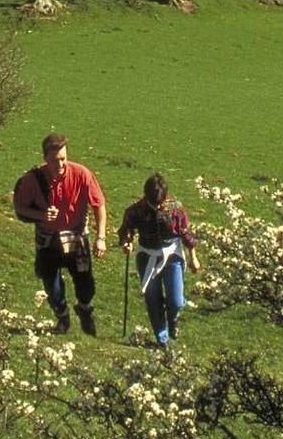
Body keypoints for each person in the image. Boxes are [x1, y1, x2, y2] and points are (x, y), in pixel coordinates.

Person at [13, 132, 107, 335]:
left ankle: (83, 308)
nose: (61, 164)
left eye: (63, 159)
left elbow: (99, 205)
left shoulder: (82, 174)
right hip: (48, 240)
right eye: (55, 161)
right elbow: (20, 208)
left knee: (86, 285)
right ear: (45, 158)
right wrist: (41, 215)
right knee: (52, 286)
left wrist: (101, 238)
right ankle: (62, 315)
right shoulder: (32, 180)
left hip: (77, 237)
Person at [118, 174, 200, 349]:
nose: (158, 206)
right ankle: (162, 339)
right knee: (153, 298)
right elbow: (126, 230)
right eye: (154, 203)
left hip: (171, 255)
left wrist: (193, 258)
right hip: (147, 256)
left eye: (160, 202)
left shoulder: (176, 209)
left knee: (176, 299)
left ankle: (173, 318)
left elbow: (186, 233)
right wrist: (126, 242)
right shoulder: (136, 210)